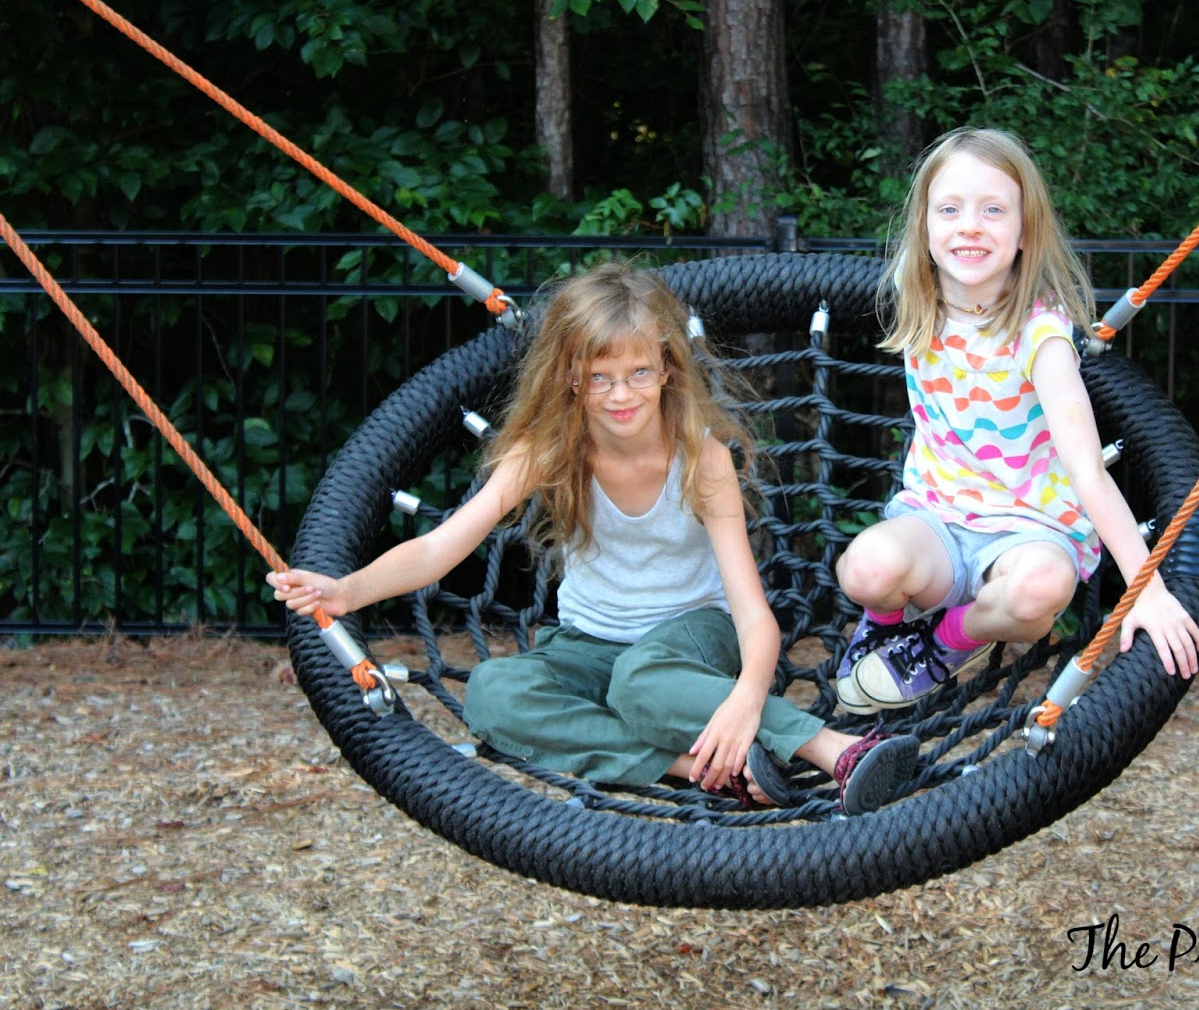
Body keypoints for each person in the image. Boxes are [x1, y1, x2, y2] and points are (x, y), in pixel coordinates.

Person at [269, 262, 917, 813]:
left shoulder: (702, 458)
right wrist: (347, 590)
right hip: (587, 645)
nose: (619, 394)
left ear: (667, 369)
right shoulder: (548, 451)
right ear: (571, 377)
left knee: (640, 684)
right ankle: (699, 767)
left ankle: (835, 750)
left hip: (692, 641)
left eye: (638, 372)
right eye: (599, 376)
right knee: (493, 695)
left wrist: (749, 696)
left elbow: (751, 612)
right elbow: (441, 547)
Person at [834, 127, 1199, 714]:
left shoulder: (1040, 337)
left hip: (1030, 532)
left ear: (1025, 230)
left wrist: (1146, 590)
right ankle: (883, 632)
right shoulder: (917, 300)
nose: (970, 226)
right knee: (864, 568)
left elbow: (1088, 471)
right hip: (938, 521)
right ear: (924, 228)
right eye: (950, 210)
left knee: (1039, 591)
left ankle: (945, 640)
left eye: (993, 210)